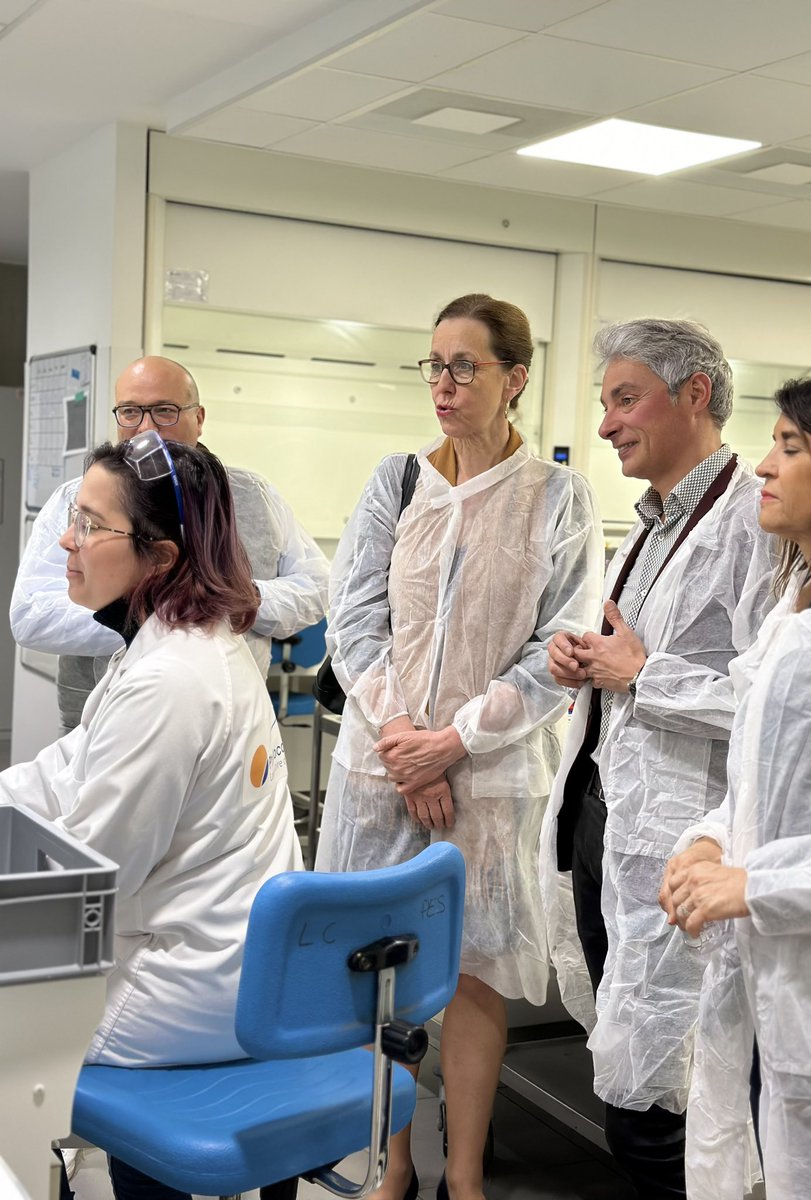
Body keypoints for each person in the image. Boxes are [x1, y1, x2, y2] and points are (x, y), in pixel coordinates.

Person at [315, 294, 602, 1200]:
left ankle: (465, 1175)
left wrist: (453, 743)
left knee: (476, 972)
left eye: (465, 366)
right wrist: (404, 736)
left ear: (515, 379)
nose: (444, 384)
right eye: (433, 365)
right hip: (381, 768)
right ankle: (394, 1163)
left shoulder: (558, 497)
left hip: (490, 773)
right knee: (381, 974)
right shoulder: (396, 481)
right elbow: (353, 619)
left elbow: (560, 647)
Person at [0, 431, 304, 1200]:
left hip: (184, 988)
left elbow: (90, 874)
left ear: (160, 558)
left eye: (93, 526)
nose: (68, 540)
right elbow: (62, 772)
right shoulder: (179, 645)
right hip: (232, 966)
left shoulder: (170, 679)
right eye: (76, 515)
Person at [539, 318, 776, 1199]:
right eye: (606, 404)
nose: (606, 425)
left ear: (696, 395)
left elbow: (771, 701)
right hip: (611, 825)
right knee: (629, 1069)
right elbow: (634, 660)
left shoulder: (755, 525)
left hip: (686, 848)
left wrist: (645, 675)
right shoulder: (650, 524)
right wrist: (589, 665)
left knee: (668, 1107)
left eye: (625, 399)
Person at [661, 362, 811, 1200]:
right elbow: (766, 776)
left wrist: (751, 883)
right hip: (775, 977)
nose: (762, 466)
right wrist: (710, 838)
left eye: (792, 446)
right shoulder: (799, 601)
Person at [10, 355, 330, 731]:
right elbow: (31, 615)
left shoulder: (252, 497)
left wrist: (239, 600)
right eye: (130, 411)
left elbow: (317, 587)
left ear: (199, 417)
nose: (147, 428)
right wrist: (160, 613)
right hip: (101, 725)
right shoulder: (78, 499)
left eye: (165, 410)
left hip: (228, 721)